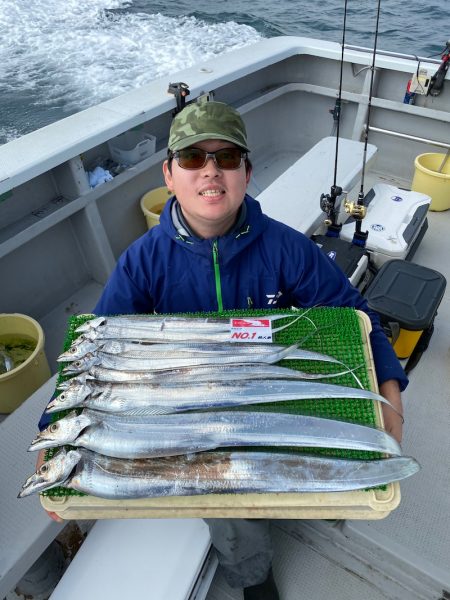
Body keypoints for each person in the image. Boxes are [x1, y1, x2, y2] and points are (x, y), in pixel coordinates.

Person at [39, 100, 406, 599]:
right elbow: (93, 355)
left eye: (227, 158)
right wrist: (55, 444)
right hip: (188, 426)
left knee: (319, 469)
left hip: (271, 403)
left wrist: (392, 400)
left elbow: (357, 319)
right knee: (232, 518)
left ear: (247, 172)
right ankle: (252, 578)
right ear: (169, 174)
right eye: (192, 159)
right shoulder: (141, 264)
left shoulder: (287, 248)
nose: (210, 170)